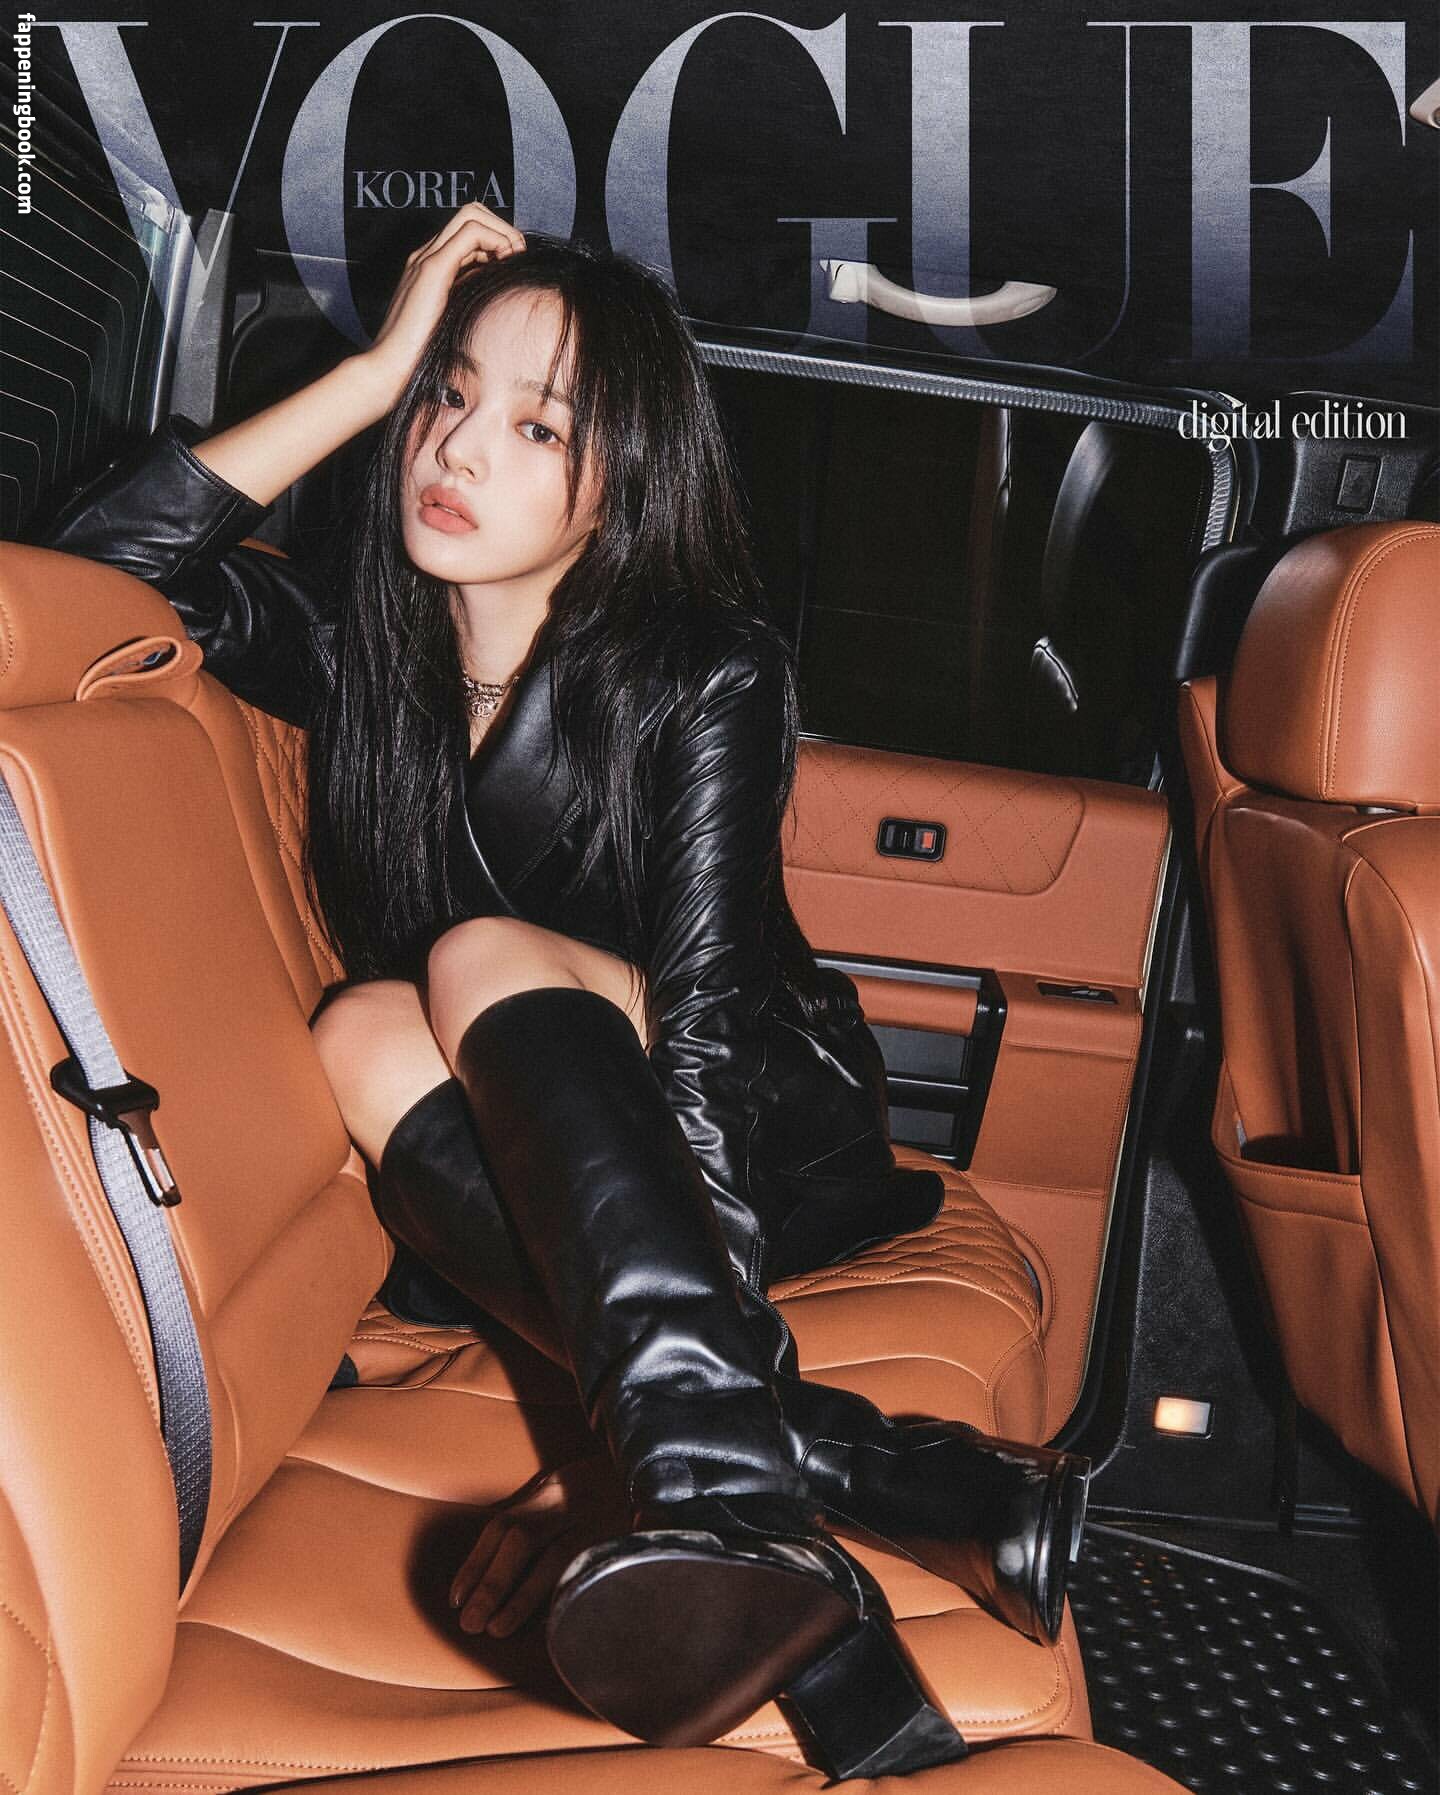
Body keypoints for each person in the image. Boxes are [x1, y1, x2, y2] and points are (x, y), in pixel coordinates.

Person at [39, 203, 1089, 1775]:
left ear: (622, 488)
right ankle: (854, 1473)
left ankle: (717, 1477)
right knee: (362, 1025)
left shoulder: (705, 665)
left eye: (538, 427)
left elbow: (713, 1028)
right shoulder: (354, 648)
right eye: (449, 394)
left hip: (747, 1129)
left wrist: (610, 1465)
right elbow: (74, 577)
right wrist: (370, 369)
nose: (459, 447)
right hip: (549, 1170)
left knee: (470, 956)